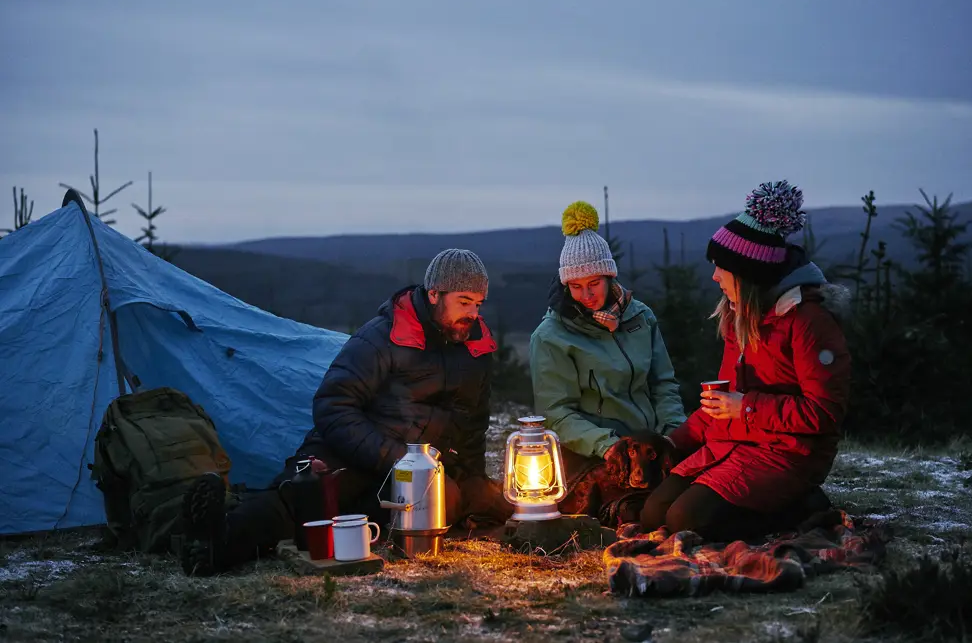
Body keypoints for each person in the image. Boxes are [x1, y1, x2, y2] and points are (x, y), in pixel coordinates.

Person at [179, 248, 514, 576]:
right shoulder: (384, 336)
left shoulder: (476, 350)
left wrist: (476, 484)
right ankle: (218, 539)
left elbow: (471, 427)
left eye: (478, 303)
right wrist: (394, 458)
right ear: (434, 294)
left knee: (448, 502)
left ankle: (334, 519)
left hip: (416, 473)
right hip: (351, 452)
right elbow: (333, 405)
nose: (472, 313)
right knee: (312, 498)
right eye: (464, 302)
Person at [639, 180, 851, 541]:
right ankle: (766, 507)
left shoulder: (808, 321)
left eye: (721, 267)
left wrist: (747, 408)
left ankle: (805, 506)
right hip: (733, 445)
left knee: (684, 520)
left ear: (748, 273)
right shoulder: (739, 317)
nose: (714, 276)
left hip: (788, 455)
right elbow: (723, 404)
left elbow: (825, 413)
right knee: (653, 514)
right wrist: (674, 443)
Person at [529, 200, 687, 479]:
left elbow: (663, 384)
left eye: (594, 284)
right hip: (593, 450)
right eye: (576, 287)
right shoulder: (551, 336)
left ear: (609, 276)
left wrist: (673, 435)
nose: (586, 295)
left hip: (650, 443)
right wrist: (607, 445)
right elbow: (557, 413)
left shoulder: (640, 317)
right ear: (566, 285)